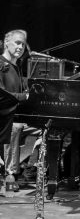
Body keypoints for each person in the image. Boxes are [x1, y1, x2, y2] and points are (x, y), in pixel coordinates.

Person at [0, 29, 30, 191]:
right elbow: (2, 95)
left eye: (23, 45)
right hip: (4, 117)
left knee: (46, 129)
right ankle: (10, 174)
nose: (20, 47)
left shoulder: (17, 67)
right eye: (17, 43)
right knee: (15, 127)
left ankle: (31, 168)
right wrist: (24, 97)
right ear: (6, 43)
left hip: (16, 115)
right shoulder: (0, 64)